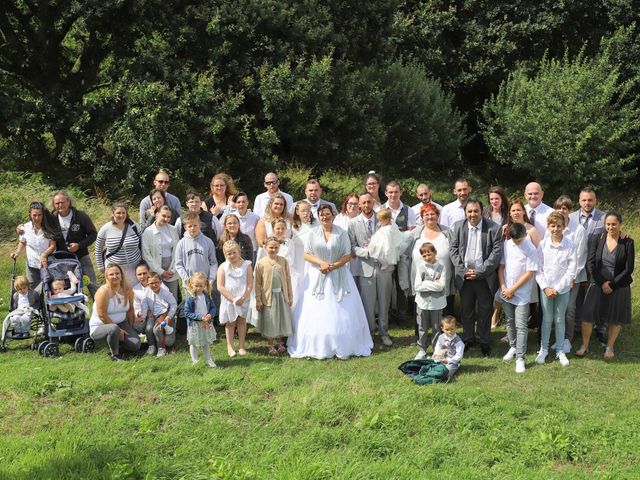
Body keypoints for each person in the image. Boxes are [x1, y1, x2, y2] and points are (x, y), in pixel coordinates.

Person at [288, 205, 373, 359]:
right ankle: (316, 344)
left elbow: (348, 255)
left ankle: (344, 342)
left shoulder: (341, 233)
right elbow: (306, 255)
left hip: (338, 272)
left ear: (333, 215)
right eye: (321, 214)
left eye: (327, 214)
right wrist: (321, 263)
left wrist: (334, 265)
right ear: (319, 217)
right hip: (317, 274)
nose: (325, 217)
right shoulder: (313, 233)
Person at [576, 211, 634, 360]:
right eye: (608, 224)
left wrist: (612, 285)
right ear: (604, 224)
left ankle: (609, 347)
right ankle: (585, 345)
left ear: (620, 224)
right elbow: (591, 263)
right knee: (588, 315)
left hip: (619, 285)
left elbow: (629, 269)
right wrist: (602, 283)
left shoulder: (627, 242)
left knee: (615, 318)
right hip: (598, 283)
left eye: (614, 224)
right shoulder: (597, 238)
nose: (610, 227)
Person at [449, 198, 503, 357]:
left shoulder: (494, 228)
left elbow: (495, 254)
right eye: (469, 211)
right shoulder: (458, 226)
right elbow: (453, 249)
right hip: (465, 277)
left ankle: (484, 341)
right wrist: (462, 269)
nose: (473, 214)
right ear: (465, 212)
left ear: (482, 211)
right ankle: (468, 339)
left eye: (476, 211)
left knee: (485, 311)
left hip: (484, 277)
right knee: (466, 311)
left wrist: (480, 271)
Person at [348, 193, 394, 346]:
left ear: (373, 203)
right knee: (367, 303)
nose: (366, 205)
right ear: (359, 205)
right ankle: (369, 333)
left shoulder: (383, 219)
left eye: (369, 202)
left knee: (384, 302)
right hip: (365, 267)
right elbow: (352, 246)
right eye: (364, 203)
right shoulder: (353, 223)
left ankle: (384, 332)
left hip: (384, 267)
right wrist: (367, 252)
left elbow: (391, 239)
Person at [535, 212, 576, 367]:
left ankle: (560, 350)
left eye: (559, 226)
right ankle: (544, 349)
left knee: (559, 319)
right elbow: (538, 268)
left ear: (564, 227)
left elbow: (571, 270)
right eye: (553, 226)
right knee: (547, 319)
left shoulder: (570, 245)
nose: (556, 229)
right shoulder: (543, 245)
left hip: (562, 290)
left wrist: (557, 288)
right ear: (548, 227)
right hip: (546, 289)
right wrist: (546, 287)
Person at [499, 223, 539, 373]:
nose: (516, 242)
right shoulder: (506, 245)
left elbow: (529, 273)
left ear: (524, 235)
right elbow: (502, 267)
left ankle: (520, 358)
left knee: (521, 325)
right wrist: (503, 287)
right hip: (506, 291)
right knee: (509, 321)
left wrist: (513, 289)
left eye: (519, 240)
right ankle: (513, 347)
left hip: (521, 293)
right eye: (514, 240)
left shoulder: (531, 249)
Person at [568, 186, 606, 343]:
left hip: (596, 264)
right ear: (579, 200)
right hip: (576, 263)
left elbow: (614, 233)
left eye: (590, 200)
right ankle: (577, 326)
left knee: (597, 296)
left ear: (595, 200)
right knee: (577, 297)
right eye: (584, 200)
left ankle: (600, 327)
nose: (587, 203)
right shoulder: (570, 217)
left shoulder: (604, 218)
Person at [551, 195, 586, 353]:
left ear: (569, 210)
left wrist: (571, 277)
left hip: (573, 278)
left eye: (564, 208)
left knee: (569, 309)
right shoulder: (553, 227)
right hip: (556, 277)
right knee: (558, 309)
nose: (561, 211)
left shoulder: (578, 229)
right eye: (558, 208)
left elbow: (580, 256)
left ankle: (568, 339)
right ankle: (558, 337)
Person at [48, 191, 99, 297]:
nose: (60, 205)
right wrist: (21, 229)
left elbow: (93, 234)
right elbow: (38, 225)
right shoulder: (52, 219)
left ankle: (100, 309)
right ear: (53, 205)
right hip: (62, 260)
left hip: (81, 256)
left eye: (62, 202)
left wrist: (79, 245)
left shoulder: (81, 216)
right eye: (57, 203)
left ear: (68, 201)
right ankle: (73, 311)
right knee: (67, 287)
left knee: (92, 284)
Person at [408, 203, 454, 317]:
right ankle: (420, 334)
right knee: (421, 315)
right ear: (422, 217)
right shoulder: (414, 234)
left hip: (443, 281)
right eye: (426, 214)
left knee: (442, 315)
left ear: (437, 216)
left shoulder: (448, 233)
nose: (429, 217)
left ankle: (443, 334)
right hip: (420, 282)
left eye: (432, 214)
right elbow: (405, 256)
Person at [89, 264, 141, 361]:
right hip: (100, 326)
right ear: (107, 277)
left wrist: (131, 328)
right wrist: (119, 331)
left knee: (136, 345)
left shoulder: (128, 290)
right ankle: (114, 355)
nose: (115, 276)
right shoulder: (103, 292)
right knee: (114, 329)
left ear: (121, 275)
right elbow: (102, 316)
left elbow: (130, 310)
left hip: (121, 323)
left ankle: (116, 343)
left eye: (117, 273)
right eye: (111, 274)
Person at [254, 236, 294, 355]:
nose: (274, 249)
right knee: (271, 319)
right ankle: (270, 344)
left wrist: (289, 295)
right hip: (268, 297)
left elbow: (287, 278)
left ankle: (279, 341)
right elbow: (258, 283)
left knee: (280, 318)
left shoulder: (283, 261)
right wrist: (258, 300)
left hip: (281, 295)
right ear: (265, 247)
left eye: (276, 247)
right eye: (271, 247)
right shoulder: (261, 263)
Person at [217, 241, 253, 357]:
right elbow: (220, 286)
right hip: (229, 299)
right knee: (230, 322)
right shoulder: (223, 267)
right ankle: (230, 346)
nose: (232, 255)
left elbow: (250, 285)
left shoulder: (247, 265)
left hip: (243, 299)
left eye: (234, 253)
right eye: (229, 254)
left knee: (241, 321)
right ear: (225, 254)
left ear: (238, 252)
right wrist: (233, 298)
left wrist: (243, 298)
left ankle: (242, 346)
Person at [11, 201, 57, 292]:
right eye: (34, 215)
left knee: (50, 289)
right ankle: (37, 306)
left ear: (43, 214)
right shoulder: (25, 228)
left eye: (39, 215)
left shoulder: (48, 227)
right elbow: (23, 242)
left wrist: (44, 254)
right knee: (34, 291)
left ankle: (48, 306)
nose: (37, 218)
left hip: (47, 264)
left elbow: (53, 245)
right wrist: (17, 252)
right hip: (31, 264)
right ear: (30, 214)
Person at [95, 202, 142, 287]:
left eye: (123, 213)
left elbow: (142, 244)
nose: (121, 215)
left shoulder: (134, 226)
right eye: (118, 213)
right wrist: (101, 267)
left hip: (135, 267)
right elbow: (98, 249)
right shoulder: (105, 229)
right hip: (115, 270)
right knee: (118, 294)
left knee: (136, 294)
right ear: (113, 214)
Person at [413, 243, 447, 360]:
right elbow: (417, 286)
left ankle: (436, 350)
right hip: (422, 303)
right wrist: (432, 283)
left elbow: (441, 286)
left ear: (435, 253)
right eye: (424, 256)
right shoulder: (420, 268)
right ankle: (422, 349)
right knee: (422, 326)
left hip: (437, 304)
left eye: (429, 254)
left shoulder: (442, 267)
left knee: (436, 327)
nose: (427, 257)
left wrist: (425, 283)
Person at [141, 205, 180, 301]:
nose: (166, 219)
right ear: (157, 214)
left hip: (171, 269)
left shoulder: (173, 229)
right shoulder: (148, 232)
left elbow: (178, 250)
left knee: (172, 298)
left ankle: (172, 316)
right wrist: (161, 271)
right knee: (156, 299)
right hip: (155, 269)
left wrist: (173, 270)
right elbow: (146, 254)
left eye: (168, 217)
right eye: (164, 216)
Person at [184, 272, 218, 367]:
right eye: (196, 286)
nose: (198, 288)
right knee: (194, 343)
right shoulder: (190, 298)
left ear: (205, 285)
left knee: (206, 342)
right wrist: (199, 317)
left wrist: (210, 315)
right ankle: (195, 360)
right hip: (195, 325)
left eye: (201, 286)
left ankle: (208, 359)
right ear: (191, 285)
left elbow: (213, 308)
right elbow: (187, 313)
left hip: (206, 323)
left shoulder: (207, 296)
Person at [140, 272, 177, 357]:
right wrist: (143, 315)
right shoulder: (147, 292)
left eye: (156, 282)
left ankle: (161, 347)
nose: (154, 285)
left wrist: (168, 317)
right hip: (153, 315)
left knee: (157, 329)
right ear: (148, 284)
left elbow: (174, 304)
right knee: (149, 328)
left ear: (160, 282)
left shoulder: (165, 292)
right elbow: (144, 304)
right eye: (151, 283)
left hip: (165, 315)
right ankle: (151, 345)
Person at [174, 212, 218, 285]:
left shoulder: (208, 242)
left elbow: (213, 263)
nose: (192, 228)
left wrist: (210, 280)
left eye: (195, 225)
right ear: (185, 227)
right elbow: (178, 264)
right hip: (189, 284)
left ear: (200, 225)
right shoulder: (181, 244)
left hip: (205, 283)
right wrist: (186, 280)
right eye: (190, 226)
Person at [272, 217, 303, 308]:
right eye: (278, 228)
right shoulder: (269, 242)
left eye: (283, 228)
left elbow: (291, 259)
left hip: (287, 271)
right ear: (273, 229)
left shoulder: (289, 242)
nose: (280, 231)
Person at [255, 193, 291, 261]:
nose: (279, 206)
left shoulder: (289, 220)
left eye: (281, 204)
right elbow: (261, 242)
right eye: (276, 204)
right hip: (268, 256)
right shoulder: (263, 221)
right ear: (271, 204)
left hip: (287, 255)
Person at [2, 275, 39, 340]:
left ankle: (25, 332)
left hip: (29, 309)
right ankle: (18, 332)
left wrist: (34, 308)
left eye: (24, 288)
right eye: (19, 289)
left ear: (28, 286)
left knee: (25, 318)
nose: (22, 290)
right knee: (15, 318)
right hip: (19, 310)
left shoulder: (33, 293)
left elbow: (37, 302)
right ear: (16, 289)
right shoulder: (16, 295)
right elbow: (15, 305)